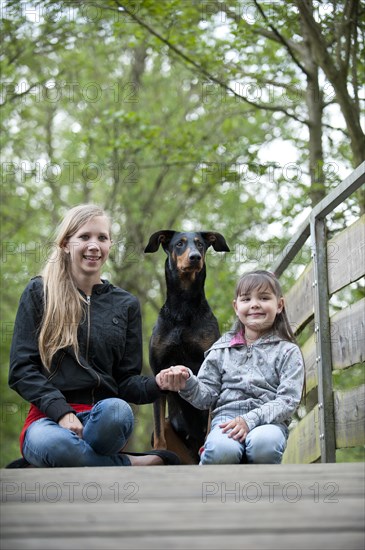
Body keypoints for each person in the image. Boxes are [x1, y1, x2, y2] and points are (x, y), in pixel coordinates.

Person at [8, 204, 179, 467]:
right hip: (48, 420)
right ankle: (128, 464)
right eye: (84, 237)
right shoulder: (39, 292)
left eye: (102, 238)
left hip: (103, 422)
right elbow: (21, 369)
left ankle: (67, 459)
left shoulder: (125, 304)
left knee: (118, 411)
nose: (94, 245)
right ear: (66, 244)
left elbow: (126, 382)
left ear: (110, 244)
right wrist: (62, 412)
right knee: (57, 445)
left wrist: (157, 384)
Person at [156, 270, 304, 465]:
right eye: (246, 299)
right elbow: (205, 396)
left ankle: (262, 490)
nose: (255, 304)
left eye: (264, 297)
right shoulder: (221, 349)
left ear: (279, 305)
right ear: (236, 307)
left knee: (264, 444)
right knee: (222, 450)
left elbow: (287, 400)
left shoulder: (288, 352)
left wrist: (249, 420)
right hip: (226, 421)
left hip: (269, 421)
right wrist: (187, 382)